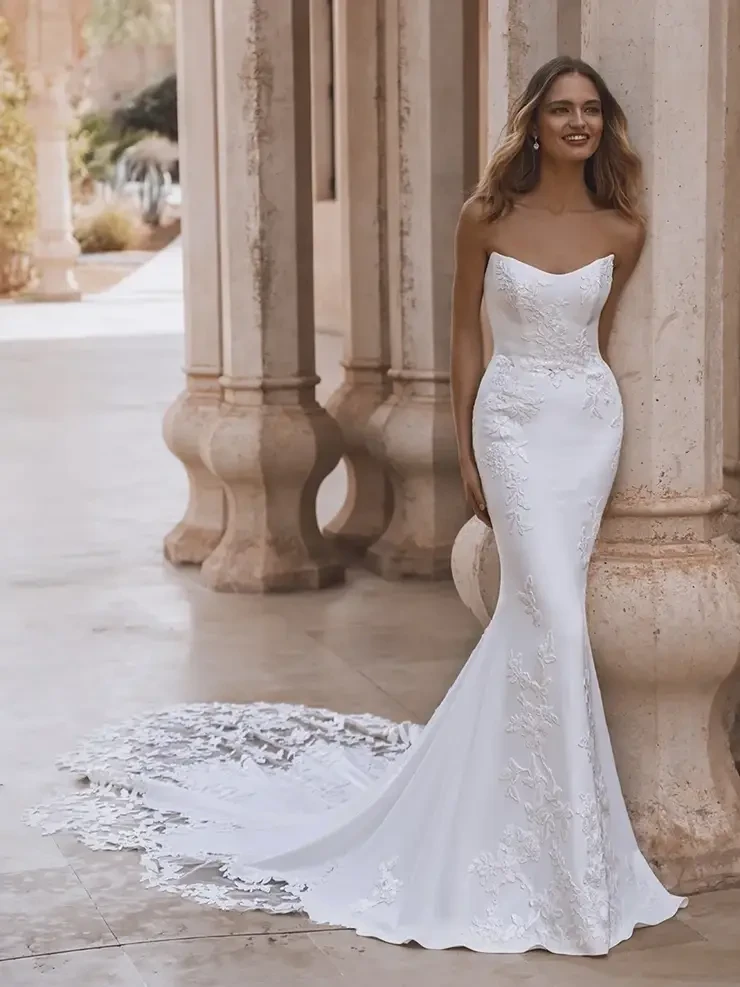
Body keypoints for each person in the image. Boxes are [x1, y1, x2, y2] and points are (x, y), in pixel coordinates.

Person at [29, 56, 686, 956]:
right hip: (513, 425)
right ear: (534, 124)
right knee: (558, 624)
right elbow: (464, 338)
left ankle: (546, 840)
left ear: (604, 125)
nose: (578, 122)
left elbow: (596, 341)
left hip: (587, 427)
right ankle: (558, 857)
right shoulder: (487, 216)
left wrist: (589, 413)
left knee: (543, 625)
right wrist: (468, 447)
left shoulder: (624, 228)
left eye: (592, 110)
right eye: (561, 109)